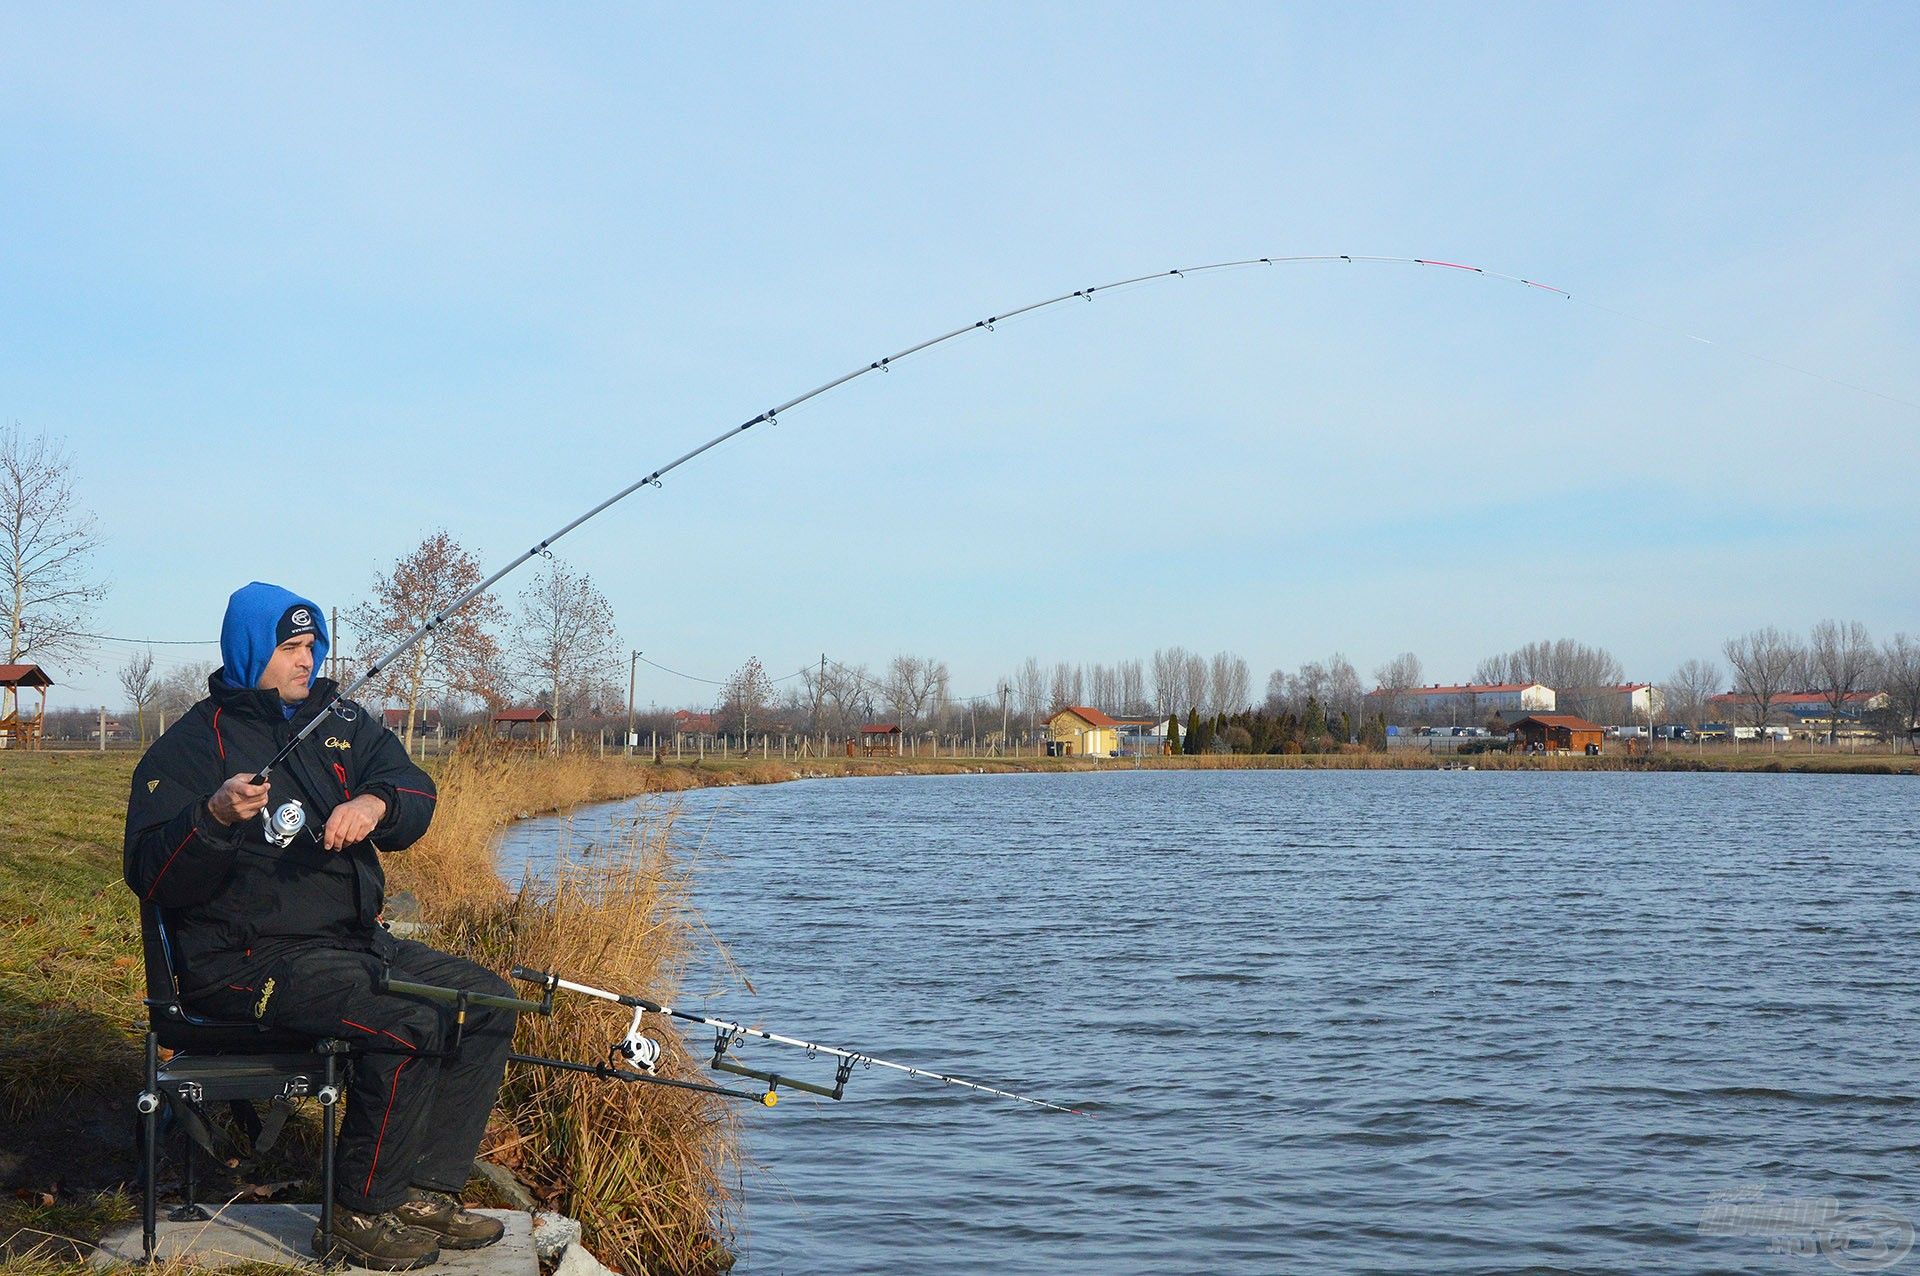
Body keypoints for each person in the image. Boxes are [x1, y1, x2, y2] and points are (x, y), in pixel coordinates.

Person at [124, 582, 516, 1272]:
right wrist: (212, 818)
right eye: (290, 647)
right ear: (251, 650)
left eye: (312, 646)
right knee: (407, 1024)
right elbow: (151, 875)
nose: (306, 660)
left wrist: (375, 801)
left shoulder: (341, 721)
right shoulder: (186, 751)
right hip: (243, 964)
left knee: (486, 1001)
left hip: (350, 944)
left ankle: (424, 1192)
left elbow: (414, 787)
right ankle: (357, 1214)